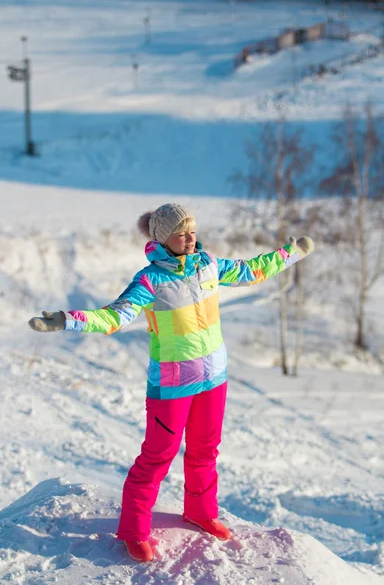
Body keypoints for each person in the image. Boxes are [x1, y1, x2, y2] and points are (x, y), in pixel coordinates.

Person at [29, 203, 314, 563]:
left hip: (214, 377)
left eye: (192, 230)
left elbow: (251, 271)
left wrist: (291, 253)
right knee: (158, 455)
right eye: (182, 232)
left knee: (205, 450)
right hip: (172, 384)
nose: (190, 237)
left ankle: (201, 511)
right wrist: (67, 320)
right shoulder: (151, 280)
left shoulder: (208, 265)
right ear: (164, 238)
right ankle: (134, 530)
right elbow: (115, 317)